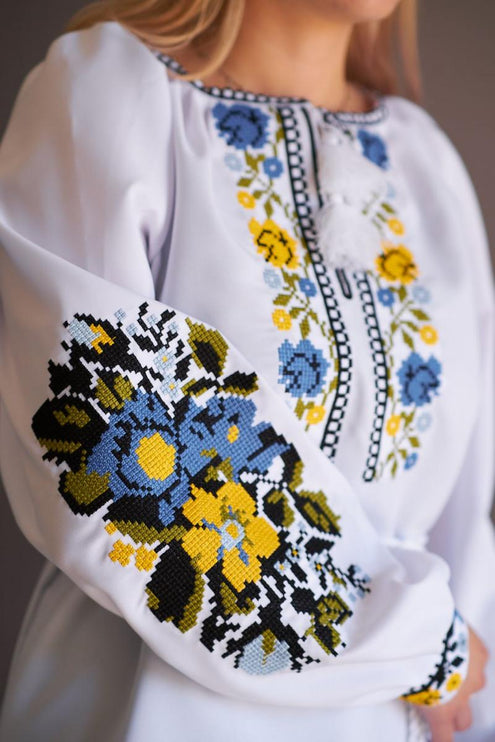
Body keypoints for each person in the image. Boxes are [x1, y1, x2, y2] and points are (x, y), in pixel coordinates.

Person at [0, 1, 493, 740]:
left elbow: (460, 518)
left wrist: (456, 673)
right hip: (153, 710)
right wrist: (420, 644)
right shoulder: (112, 93)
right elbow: (108, 448)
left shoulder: (425, 163)